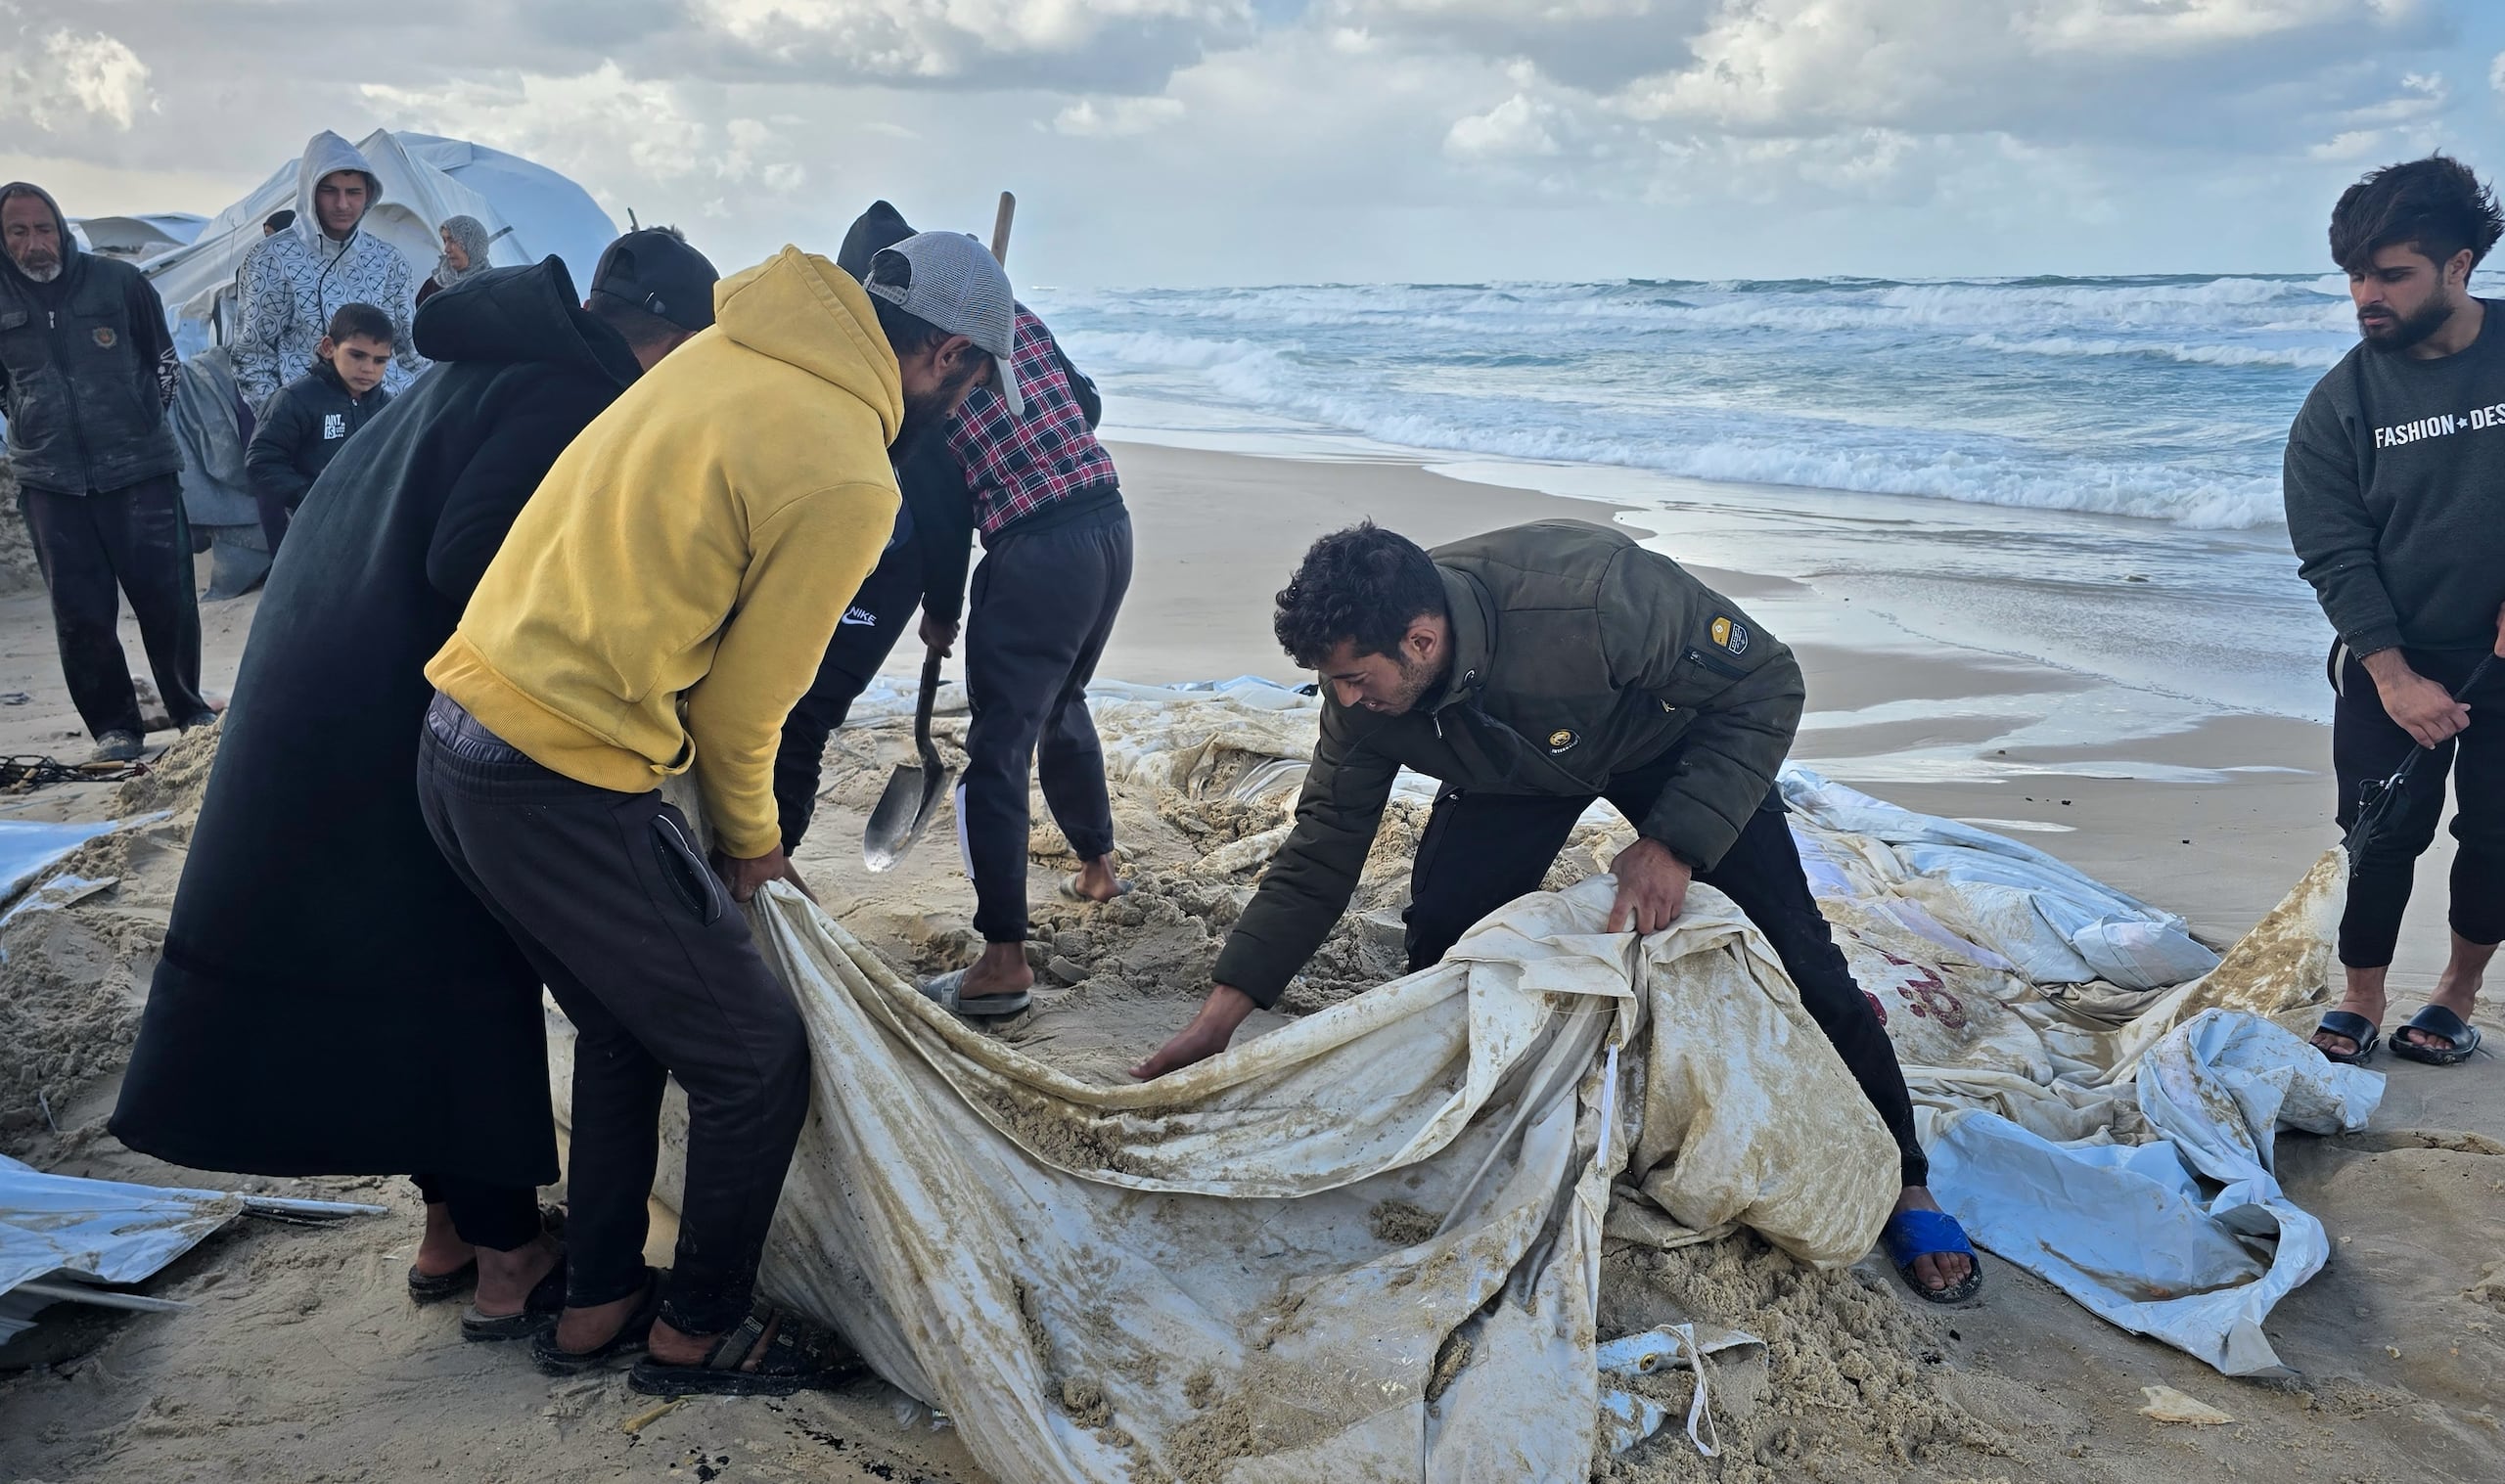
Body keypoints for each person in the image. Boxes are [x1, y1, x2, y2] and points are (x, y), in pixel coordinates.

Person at [414, 229, 1011, 1395]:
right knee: (753, 1058)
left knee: (625, 1021)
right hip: (560, 773)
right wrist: (755, 850)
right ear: (946, 357)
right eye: (975, 382)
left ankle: (595, 1299)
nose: (970, 405)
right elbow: (749, 713)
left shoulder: (721, 348)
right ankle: (696, 1327)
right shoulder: (850, 469)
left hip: (454, 737)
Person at [111, 230, 720, 1342]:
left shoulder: (486, 370)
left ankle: (446, 1230)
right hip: (391, 702)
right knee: (464, 967)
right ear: (669, 341)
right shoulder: (566, 396)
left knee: (404, 966)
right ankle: (503, 1260)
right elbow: (473, 553)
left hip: (324, 679)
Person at [1131, 520, 1983, 1302]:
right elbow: (1319, 853)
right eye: (1331, 682)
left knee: (1802, 953)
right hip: (1513, 767)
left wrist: (1678, 841)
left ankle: (1907, 1173)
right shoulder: (1361, 699)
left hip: (1672, 743)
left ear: (1421, 640)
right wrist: (1222, 1013)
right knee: (1443, 942)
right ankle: (1476, 1122)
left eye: (1356, 677)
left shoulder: (1596, 596)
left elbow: (1768, 681)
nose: (1344, 701)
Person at [770, 200, 1103, 858]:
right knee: (804, 707)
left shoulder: (927, 367)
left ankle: (769, 853)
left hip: (900, 551)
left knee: (808, 705)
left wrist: (983, 380)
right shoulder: (919, 365)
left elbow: (945, 505)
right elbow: (1082, 407)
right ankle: (766, 853)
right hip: (918, 544)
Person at [2291, 154, 2505, 1069]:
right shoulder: (2342, 402)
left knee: (2497, 832)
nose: (2365, 295)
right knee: (2377, 836)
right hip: (2393, 655)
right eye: (2354, 275)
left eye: (2391, 273)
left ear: (2459, 266)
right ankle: (2362, 992)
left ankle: (2458, 990)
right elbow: (2332, 549)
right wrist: (2392, 673)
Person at [906, 273, 1127, 1017]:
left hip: (1035, 553)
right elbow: (1086, 402)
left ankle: (1002, 961)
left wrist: (939, 610)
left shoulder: (916, 358)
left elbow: (941, 510)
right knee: (1064, 699)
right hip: (1107, 525)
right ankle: (1099, 867)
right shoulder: (1012, 314)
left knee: (997, 748)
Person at [0, 180, 213, 762]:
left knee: (167, 600)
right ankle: (115, 728)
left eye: (43, 228)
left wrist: (138, 424)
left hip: (141, 471)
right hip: (50, 482)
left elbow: (164, 362)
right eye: (17, 231)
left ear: (62, 229)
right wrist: (32, 425)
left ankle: (190, 710)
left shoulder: (118, 282)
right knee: (80, 613)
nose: (34, 243)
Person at [233, 131, 424, 410]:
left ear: (369, 194)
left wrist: (413, 411)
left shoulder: (389, 260)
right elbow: (253, 353)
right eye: (330, 191)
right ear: (310, 191)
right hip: (308, 418)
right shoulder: (271, 259)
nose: (343, 204)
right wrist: (280, 420)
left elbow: (410, 350)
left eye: (353, 192)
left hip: (382, 419)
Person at [245, 300, 396, 552]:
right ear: (328, 347)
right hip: (312, 535)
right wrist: (310, 498)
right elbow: (262, 462)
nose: (368, 368)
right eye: (357, 355)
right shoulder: (295, 399)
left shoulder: (388, 406)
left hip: (375, 530)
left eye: (380, 360)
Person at [417, 215, 494, 308]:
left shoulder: (494, 286)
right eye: (445, 241)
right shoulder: (432, 286)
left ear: (473, 244)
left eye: (452, 241)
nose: (446, 249)